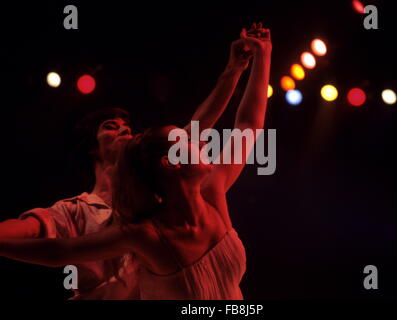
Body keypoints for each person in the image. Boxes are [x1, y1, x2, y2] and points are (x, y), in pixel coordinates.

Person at [0, 29, 255, 299]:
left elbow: (199, 128)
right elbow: (46, 244)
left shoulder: (159, 199)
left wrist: (234, 69)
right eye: (110, 127)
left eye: (127, 127)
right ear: (91, 148)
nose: (123, 130)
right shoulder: (75, 210)